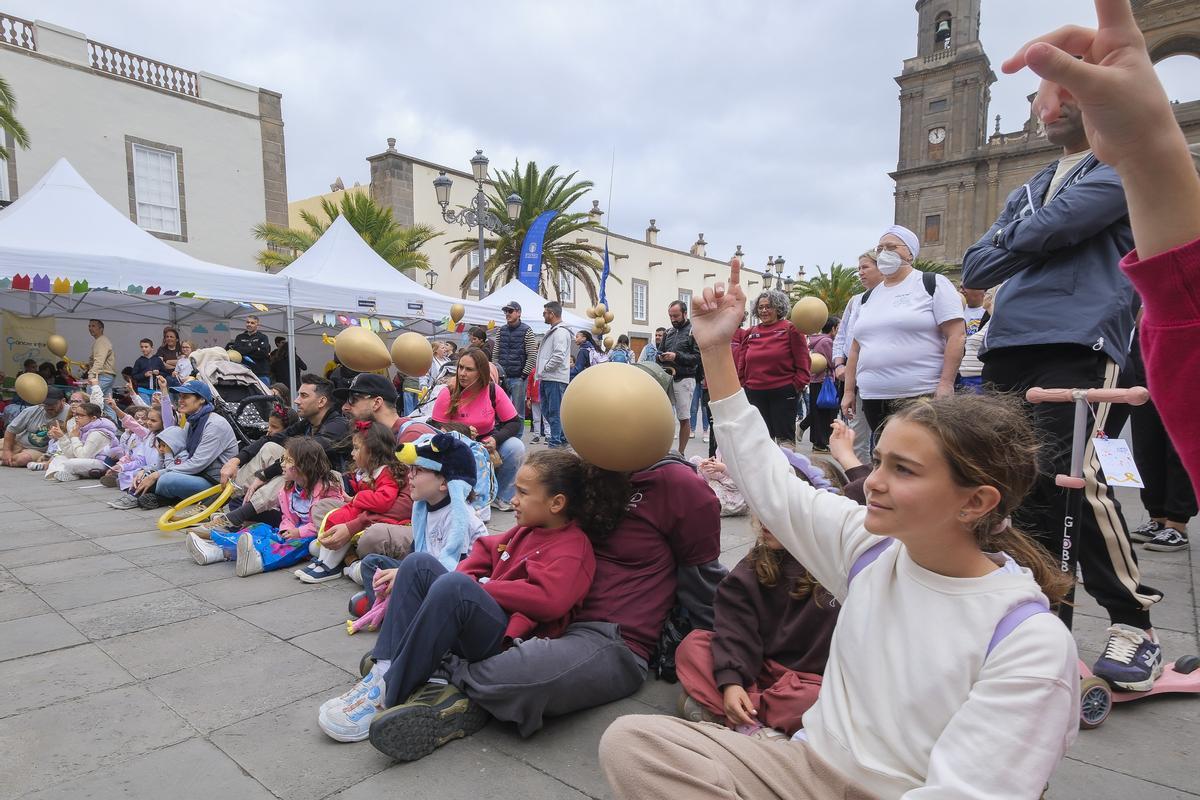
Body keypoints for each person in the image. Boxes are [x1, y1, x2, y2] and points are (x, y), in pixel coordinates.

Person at [600, 258, 1079, 799]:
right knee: (633, 743)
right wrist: (714, 349)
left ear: (976, 502)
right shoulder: (871, 548)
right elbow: (768, 480)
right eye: (879, 462)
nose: (872, 482)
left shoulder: (1028, 641)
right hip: (803, 765)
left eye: (903, 470)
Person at [961, 75, 1163, 691]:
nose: (1049, 105)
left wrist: (1021, 242)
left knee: (1076, 484)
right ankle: (1044, 617)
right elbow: (975, 266)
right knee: (1013, 488)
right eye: (1043, 95)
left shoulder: (1120, 165)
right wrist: (1036, 237)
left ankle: (1136, 626)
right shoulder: (1027, 187)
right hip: (1010, 344)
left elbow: (1057, 228)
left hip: (1080, 343)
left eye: (1064, 92)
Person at [317, 449, 610, 757]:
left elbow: (549, 600)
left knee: (454, 584)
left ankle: (391, 690)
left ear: (557, 503)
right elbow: (485, 549)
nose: (513, 498)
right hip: (485, 617)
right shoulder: (528, 529)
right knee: (417, 564)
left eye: (523, 493)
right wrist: (472, 579)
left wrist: (483, 585)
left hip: (508, 639)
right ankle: (385, 668)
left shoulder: (572, 547)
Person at [438, 451, 723, 744]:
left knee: (526, 674)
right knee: (444, 603)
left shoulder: (677, 483)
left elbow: (704, 580)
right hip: (547, 618)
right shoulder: (587, 470)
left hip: (612, 638)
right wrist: (461, 579)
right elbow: (507, 540)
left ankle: (454, 675)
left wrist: (723, 662)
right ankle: (468, 681)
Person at [676, 516, 839, 739]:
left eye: (778, 511)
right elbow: (734, 628)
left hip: (807, 683)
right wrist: (732, 682)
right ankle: (756, 725)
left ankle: (733, 716)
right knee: (693, 646)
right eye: (759, 509)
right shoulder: (756, 563)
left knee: (820, 701)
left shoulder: (840, 569)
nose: (765, 520)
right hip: (757, 669)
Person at [842, 227, 965, 438]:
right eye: (880, 249)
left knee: (918, 457)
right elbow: (855, 348)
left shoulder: (932, 283)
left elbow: (956, 335)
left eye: (891, 247)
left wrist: (946, 383)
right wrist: (848, 391)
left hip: (919, 395)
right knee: (884, 456)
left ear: (910, 253)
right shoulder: (867, 298)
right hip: (873, 397)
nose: (884, 253)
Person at [354, 432, 488, 607]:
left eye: (419, 470)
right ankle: (387, 604)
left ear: (444, 483)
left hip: (454, 584)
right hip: (424, 573)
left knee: (407, 579)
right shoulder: (425, 507)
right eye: (411, 469)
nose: (410, 475)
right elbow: (414, 552)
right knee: (371, 562)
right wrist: (402, 571)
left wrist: (404, 575)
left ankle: (389, 608)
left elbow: (454, 571)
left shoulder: (461, 518)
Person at [187, 436, 347, 576]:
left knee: (285, 547)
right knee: (259, 530)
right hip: (292, 531)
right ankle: (217, 551)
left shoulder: (328, 489)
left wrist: (299, 532)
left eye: (288, 460)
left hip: (311, 536)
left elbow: (327, 522)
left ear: (304, 465)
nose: (282, 464)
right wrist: (286, 528)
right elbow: (287, 516)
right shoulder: (289, 488)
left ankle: (258, 561)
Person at [215, 374, 350, 530]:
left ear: (321, 401)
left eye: (303, 396)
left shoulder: (337, 425)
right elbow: (272, 439)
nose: (296, 400)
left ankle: (235, 516)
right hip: (303, 491)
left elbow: (302, 458)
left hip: (328, 491)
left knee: (293, 470)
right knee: (270, 448)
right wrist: (236, 460)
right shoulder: (308, 423)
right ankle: (231, 500)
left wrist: (264, 475)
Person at [297, 420, 412, 583]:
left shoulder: (386, 472)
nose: (352, 453)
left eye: (357, 448)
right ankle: (325, 558)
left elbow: (384, 500)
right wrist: (352, 499)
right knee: (329, 512)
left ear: (372, 452)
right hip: (365, 511)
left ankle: (331, 564)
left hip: (383, 518)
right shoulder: (370, 472)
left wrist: (358, 499)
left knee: (344, 520)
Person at [432, 347, 525, 512]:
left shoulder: (493, 390)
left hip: (487, 443)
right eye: (460, 367)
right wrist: (463, 431)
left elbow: (514, 422)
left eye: (469, 369)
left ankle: (501, 497)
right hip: (455, 446)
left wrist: (496, 439)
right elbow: (435, 427)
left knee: (516, 446)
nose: (462, 373)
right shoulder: (448, 393)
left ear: (480, 372)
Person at [133, 380, 238, 506]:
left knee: (166, 480)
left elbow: (197, 464)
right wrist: (148, 471)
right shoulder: (192, 421)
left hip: (216, 484)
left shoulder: (215, 424)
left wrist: (157, 474)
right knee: (141, 474)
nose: (180, 400)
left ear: (201, 400)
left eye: (186, 397)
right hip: (197, 475)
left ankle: (162, 497)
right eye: (180, 396)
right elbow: (178, 452)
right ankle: (160, 496)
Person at [735, 290, 811, 450]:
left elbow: (803, 360)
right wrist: (743, 383)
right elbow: (742, 361)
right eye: (761, 307)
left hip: (783, 392)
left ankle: (787, 472)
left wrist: (797, 385)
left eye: (768, 307)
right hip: (754, 392)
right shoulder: (751, 332)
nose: (764, 310)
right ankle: (764, 474)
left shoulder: (791, 329)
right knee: (761, 440)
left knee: (784, 441)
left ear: (778, 308)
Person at [660, 300, 702, 453]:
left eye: (676, 316)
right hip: (667, 378)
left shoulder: (694, 331)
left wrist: (676, 356)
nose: (673, 319)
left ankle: (681, 453)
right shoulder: (668, 332)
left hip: (684, 379)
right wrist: (661, 357)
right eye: (670, 316)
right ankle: (662, 450)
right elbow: (659, 352)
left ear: (685, 313)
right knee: (663, 416)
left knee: (684, 418)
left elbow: (697, 358)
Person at [44, 400, 120, 481]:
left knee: (71, 463)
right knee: (59, 458)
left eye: (81, 415)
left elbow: (83, 456)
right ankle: (64, 474)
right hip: (88, 459)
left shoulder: (97, 433)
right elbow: (72, 454)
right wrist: (62, 437)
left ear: (93, 418)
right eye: (75, 414)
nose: (76, 417)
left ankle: (74, 474)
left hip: (102, 463)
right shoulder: (82, 429)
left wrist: (74, 437)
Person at [535, 301, 572, 450]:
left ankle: (556, 442)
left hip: (554, 377)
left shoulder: (560, 332)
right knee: (548, 410)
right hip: (550, 377)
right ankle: (560, 439)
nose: (543, 315)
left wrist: (545, 369)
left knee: (554, 412)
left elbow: (558, 355)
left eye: (545, 313)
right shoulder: (556, 331)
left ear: (552, 313)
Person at [2, 387, 69, 467]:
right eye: (46, 403)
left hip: (38, 450)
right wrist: (7, 450)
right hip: (18, 442)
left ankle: (6, 460)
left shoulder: (70, 413)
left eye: (53, 403)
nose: (49, 406)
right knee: (7, 452)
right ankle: (7, 457)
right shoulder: (32, 411)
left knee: (22, 459)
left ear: (63, 401)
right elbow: (11, 430)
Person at [799, 316, 838, 452]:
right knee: (825, 412)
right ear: (832, 328)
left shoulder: (818, 340)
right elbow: (832, 362)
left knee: (819, 411)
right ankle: (820, 442)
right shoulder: (827, 341)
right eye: (837, 328)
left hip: (818, 380)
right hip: (825, 380)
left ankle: (813, 436)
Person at [492, 302, 536, 418]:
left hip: (518, 378)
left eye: (510, 311)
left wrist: (523, 375)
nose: (507, 314)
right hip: (502, 377)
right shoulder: (501, 330)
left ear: (519, 313)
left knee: (518, 413)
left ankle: (517, 436)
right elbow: (496, 353)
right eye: (506, 311)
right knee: (500, 410)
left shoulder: (527, 330)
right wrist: (496, 371)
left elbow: (532, 354)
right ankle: (503, 435)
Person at [85, 319, 117, 410]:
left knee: (91, 398)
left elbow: (99, 360)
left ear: (101, 329)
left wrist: (91, 374)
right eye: (89, 326)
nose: (90, 328)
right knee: (108, 405)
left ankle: (93, 421)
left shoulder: (101, 341)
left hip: (102, 375)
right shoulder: (102, 340)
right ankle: (112, 423)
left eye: (93, 326)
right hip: (107, 375)